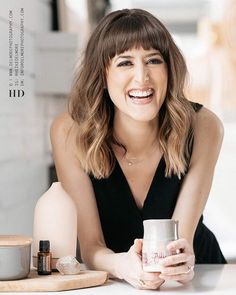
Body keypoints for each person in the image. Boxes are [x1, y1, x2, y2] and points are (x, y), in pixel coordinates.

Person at [50, 8, 227, 290]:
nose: (142, 77)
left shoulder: (204, 126)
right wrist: (123, 266)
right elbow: (92, 246)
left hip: (200, 277)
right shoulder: (70, 132)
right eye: (125, 63)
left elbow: (184, 239)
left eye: (153, 60)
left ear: (169, 68)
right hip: (113, 281)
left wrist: (182, 261)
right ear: (102, 72)